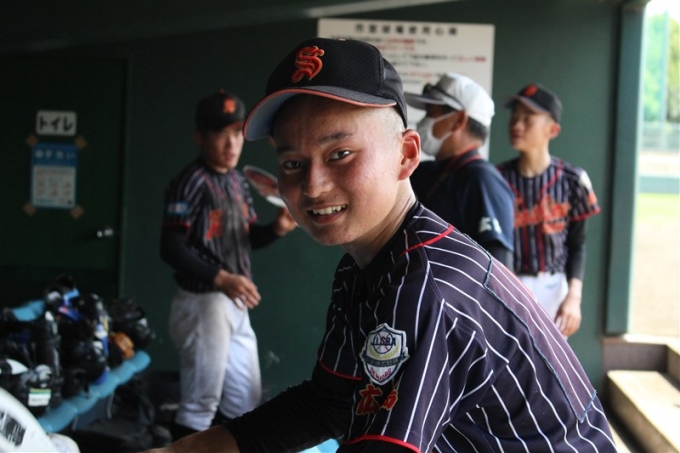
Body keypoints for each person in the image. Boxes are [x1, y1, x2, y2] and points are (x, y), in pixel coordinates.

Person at [145, 38, 616, 453]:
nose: (313, 186)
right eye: (292, 163)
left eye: (340, 154)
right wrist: (189, 448)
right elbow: (328, 403)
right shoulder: (367, 263)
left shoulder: (427, 285)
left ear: (406, 154)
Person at [159, 89, 297, 440]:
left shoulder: (236, 180)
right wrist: (220, 277)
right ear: (200, 137)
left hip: (234, 300)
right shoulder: (189, 181)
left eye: (237, 133)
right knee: (200, 404)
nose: (232, 143)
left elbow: (245, 238)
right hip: (204, 301)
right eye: (222, 133)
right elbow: (170, 247)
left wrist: (275, 230)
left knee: (246, 402)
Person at [497, 84, 601, 338]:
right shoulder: (496, 178)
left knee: (550, 361)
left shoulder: (573, 180)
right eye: (514, 116)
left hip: (553, 287)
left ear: (552, 130)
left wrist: (574, 297)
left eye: (528, 118)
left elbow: (577, 245)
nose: (517, 124)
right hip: (507, 283)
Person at [406, 73, 515, 268]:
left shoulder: (482, 180)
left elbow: (498, 267)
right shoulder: (427, 172)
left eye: (431, 113)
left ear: (458, 120)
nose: (424, 121)